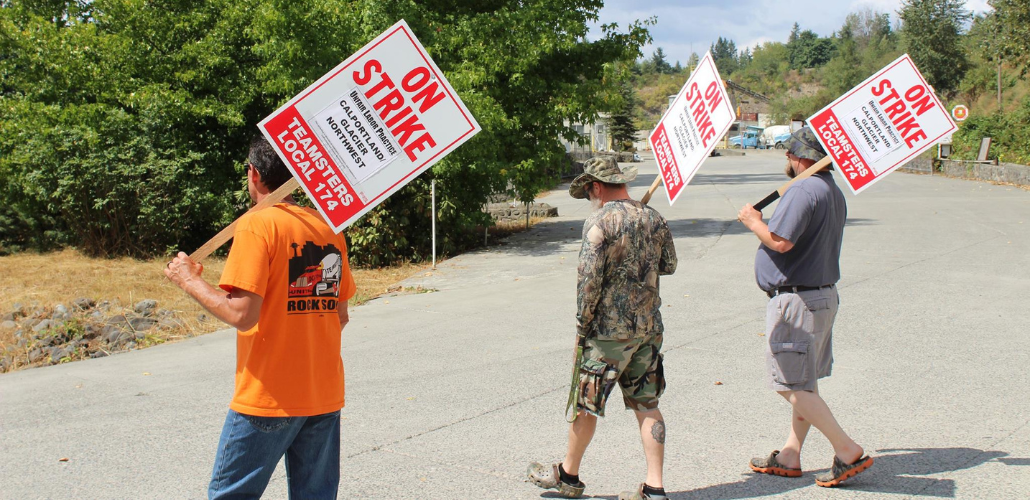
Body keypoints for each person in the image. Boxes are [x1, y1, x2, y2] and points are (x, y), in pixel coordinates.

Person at [165, 136, 356, 499]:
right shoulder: (330, 229)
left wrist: (189, 281)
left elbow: (241, 314)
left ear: (254, 173)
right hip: (323, 394)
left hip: (270, 395)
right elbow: (340, 315)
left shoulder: (257, 225)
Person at [528, 157, 677, 500]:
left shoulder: (599, 222)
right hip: (649, 327)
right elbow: (669, 265)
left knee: (586, 404)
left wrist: (583, 322)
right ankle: (655, 487)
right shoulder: (654, 217)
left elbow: (588, 280)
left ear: (596, 186)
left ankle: (569, 476)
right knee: (647, 404)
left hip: (608, 334)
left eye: (589, 192)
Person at [736, 127, 873, 487]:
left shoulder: (803, 189)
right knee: (804, 381)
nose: (787, 160)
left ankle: (846, 450)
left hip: (798, 301)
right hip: (821, 295)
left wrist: (755, 222)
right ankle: (790, 455)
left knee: (787, 381)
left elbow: (780, 242)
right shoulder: (831, 189)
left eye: (790, 154)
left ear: (801, 157)